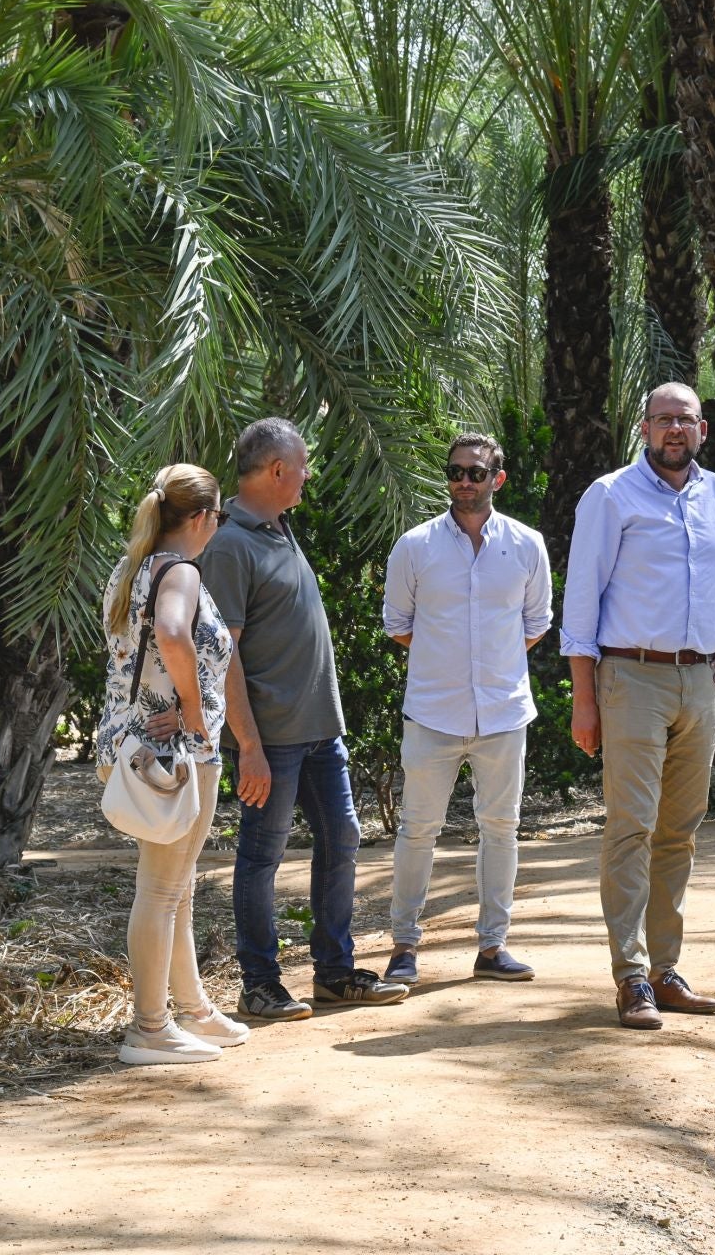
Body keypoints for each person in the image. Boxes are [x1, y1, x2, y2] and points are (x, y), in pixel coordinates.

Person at [560, 383, 715, 1031]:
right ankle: (630, 977)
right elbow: (581, 600)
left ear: (702, 429)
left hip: (699, 681)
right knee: (632, 827)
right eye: (663, 419)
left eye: (685, 419)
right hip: (630, 677)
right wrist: (584, 699)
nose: (674, 429)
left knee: (680, 830)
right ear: (644, 429)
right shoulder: (610, 496)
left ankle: (665, 971)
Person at [202, 417, 408, 1017]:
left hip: (321, 732)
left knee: (342, 838)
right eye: (302, 465)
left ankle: (334, 973)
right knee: (261, 857)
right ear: (276, 470)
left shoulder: (278, 528)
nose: (308, 475)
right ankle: (260, 983)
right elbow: (224, 655)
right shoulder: (230, 544)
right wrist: (249, 746)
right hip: (273, 740)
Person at [380, 434, 552, 985]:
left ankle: (493, 946)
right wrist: (449, 661)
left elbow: (536, 623)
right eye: (455, 471)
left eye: (475, 472)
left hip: (503, 713)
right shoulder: (415, 546)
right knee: (417, 829)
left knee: (501, 828)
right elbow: (398, 624)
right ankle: (404, 946)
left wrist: (491, 664)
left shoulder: (526, 545)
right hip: (432, 711)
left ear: (497, 479)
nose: (463, 481)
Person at [95, 464, 248, 1065]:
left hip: (131, 745)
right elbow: (172, 632)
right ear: (203, 517)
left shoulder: (132, 566)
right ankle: (149, 1028)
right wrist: (191, 709)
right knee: (162, 889)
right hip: (173, 753)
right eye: (219, 516)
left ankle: (192, 1009)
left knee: (173, 887)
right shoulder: (179, 570)